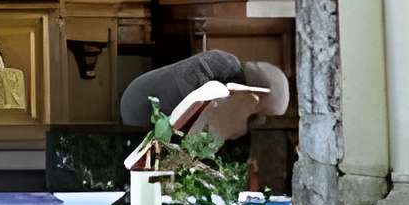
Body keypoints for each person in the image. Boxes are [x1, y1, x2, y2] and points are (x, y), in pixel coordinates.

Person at [117, 46, 291, 142]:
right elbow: (192, 96)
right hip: (141, 105)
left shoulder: (235, 90)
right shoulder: (224, 62)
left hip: (152, 119)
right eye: (259, 109)